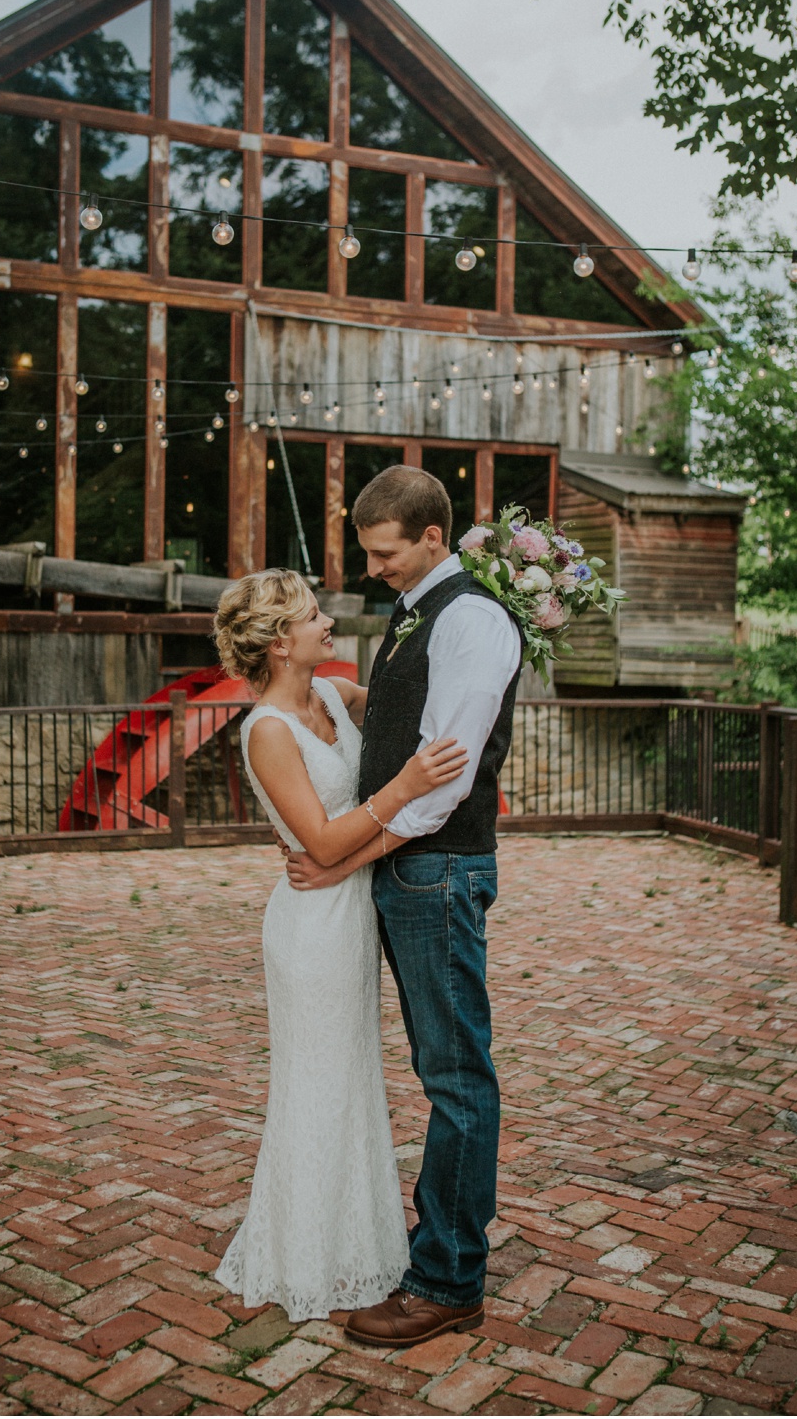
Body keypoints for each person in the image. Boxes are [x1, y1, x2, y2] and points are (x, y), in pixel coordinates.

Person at [279, 465, 524, 1348]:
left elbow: (439, 783)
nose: (373, 567)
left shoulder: (472, 619)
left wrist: (348, 849)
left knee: (457, 1077)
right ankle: (433, 1237)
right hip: (407, 868)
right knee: (439, 1067)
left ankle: (448, 1278)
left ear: (432, 538)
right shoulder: (417, 609)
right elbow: (400, 725)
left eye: (385, 552)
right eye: (367, 551)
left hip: (437, 869)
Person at [210, 569, 468, 1321]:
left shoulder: (330, 696)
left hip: (352, 912)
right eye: (313, 616)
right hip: (311, 924)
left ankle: (357, 1244)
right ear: (280, 641)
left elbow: (394, 704)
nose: (329, 622)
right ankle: (305, 1254)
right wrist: (408, 783)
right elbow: (319, 841)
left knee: (354, 1077)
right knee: (316, 1081)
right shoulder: (265, 731)